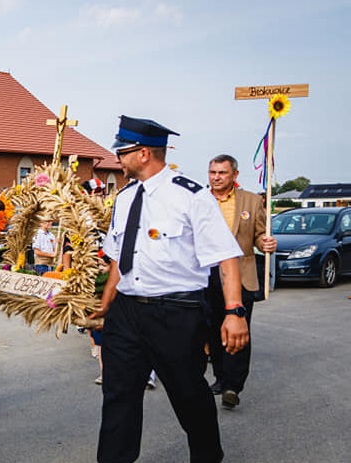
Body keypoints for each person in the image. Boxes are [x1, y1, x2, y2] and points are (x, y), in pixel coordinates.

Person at [94, 116, 249, 463]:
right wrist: (106, 306)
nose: (117, 158)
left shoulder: (190, 196)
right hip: (127, 312)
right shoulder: (124, 198)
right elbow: (118, 259)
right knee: (118, 395)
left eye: (123, 152)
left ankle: (208, 456)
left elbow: (226, 259)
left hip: (176, 313)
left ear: (144, 153)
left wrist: (235, 312)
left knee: (189, 395)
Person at [206, 154, 277, 409]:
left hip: (242, 272)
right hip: (207, 275)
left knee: (239, 328)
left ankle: (233, 386)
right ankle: (220, 378)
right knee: (213, 329)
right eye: (212, 172)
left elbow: (259, 234)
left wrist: (265, 243)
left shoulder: (252, 200)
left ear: (234, 175)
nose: (216, 177)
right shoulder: (200, 200)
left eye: (221, 173)